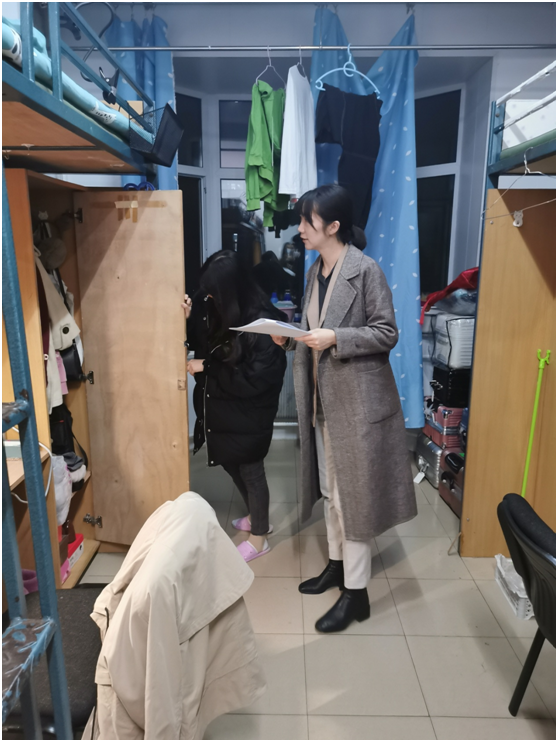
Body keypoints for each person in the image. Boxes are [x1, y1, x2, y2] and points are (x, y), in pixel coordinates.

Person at [272, 184, 417, 633]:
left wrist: (337, 337)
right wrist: (289, 337)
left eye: (307, 221)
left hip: (356, 405)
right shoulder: (315, 271)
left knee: (352, 496)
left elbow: (386, 332)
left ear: (333, 226)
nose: (300, 229)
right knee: (331, 490)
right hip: (322, 401)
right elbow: (312, 328)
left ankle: (357, 594)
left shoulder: (365, 270)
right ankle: (337, 567)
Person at [183, 251, 287, 563]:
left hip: (250, 411)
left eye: (213, 292)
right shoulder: (224, 309)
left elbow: (254, 379)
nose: (209, 298)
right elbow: (206, 345)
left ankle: (259, 538)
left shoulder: (264, 323)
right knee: (232, 462)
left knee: (251, 469)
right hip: (227, 408)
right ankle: (257, 516)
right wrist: (187, 319)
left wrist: (207, 368)